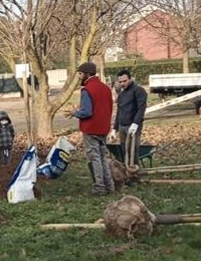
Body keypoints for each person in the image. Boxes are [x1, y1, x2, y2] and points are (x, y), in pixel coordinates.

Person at [63, 62, 115, 195]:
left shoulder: (87, 89)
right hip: (104, 128)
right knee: (103, 157)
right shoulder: (106, 88)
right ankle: (110, 185)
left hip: (91, 128)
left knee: (94, 158)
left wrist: (74, 113)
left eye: (80, 74)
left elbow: (87, 112)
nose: (79, 77)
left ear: (87, 74)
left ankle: (99, 187)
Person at [113, 69, 148, 168]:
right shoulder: (122, 95)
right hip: (122, 126)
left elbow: (141, 108)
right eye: (120, 82)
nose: (122, 83)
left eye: (125, 81)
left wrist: (136, 123)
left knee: (133, 150)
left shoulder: (138, 91)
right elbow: (119, 112)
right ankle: (127, 170)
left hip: (132, 126)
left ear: (130, 79)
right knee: (124, 149)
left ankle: (134, 173)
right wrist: (114, 128)